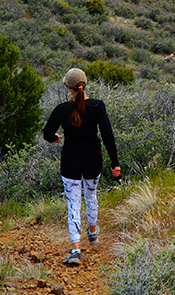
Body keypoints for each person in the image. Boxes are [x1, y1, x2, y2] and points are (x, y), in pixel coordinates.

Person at [43, 67, 121, 267]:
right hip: (93, 159)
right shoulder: (98, 106)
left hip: (70, 161)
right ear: (84, 84)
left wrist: (55, 138)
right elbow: (107, 136)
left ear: (69, 88)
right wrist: (115, 163)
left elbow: (47, 133)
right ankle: (93, 232)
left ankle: (76, 249)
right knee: (91, 195)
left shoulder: (62, 109)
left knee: (73, 204)